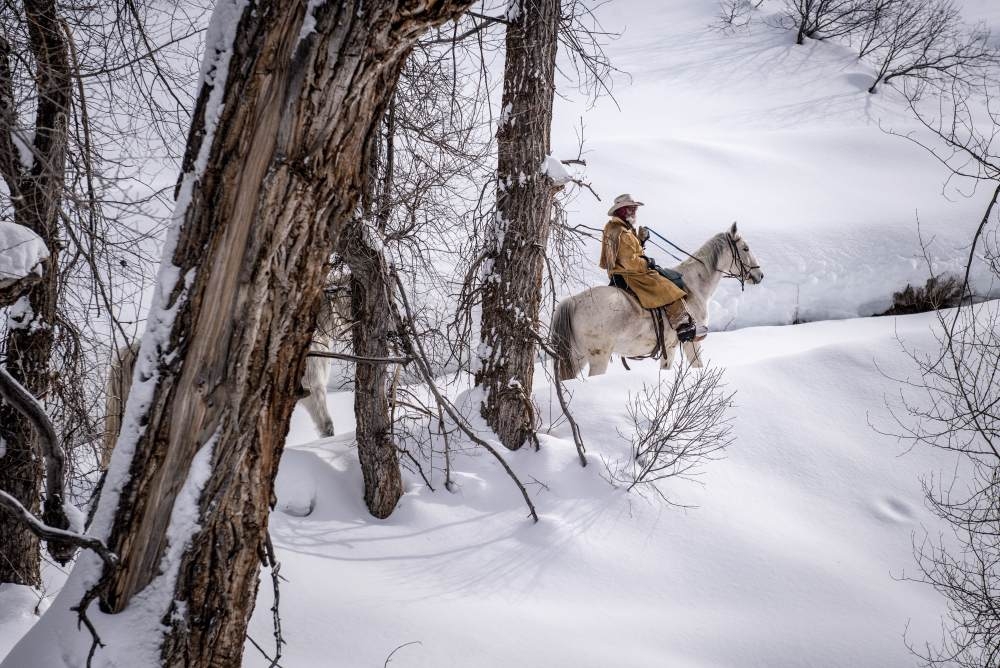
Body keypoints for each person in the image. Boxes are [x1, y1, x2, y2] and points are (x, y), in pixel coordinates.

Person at [599, 193, 705, 342]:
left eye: (635, 209)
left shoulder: (615, 227)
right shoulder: (622, 232)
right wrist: (648, 263)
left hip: (622, 273)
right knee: (669, 288)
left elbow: (627, 254)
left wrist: (640, 240)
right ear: (622, 210)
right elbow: (630, 262)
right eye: (632, 209)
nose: (635, 212)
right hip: (631, 275)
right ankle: (684, 328)